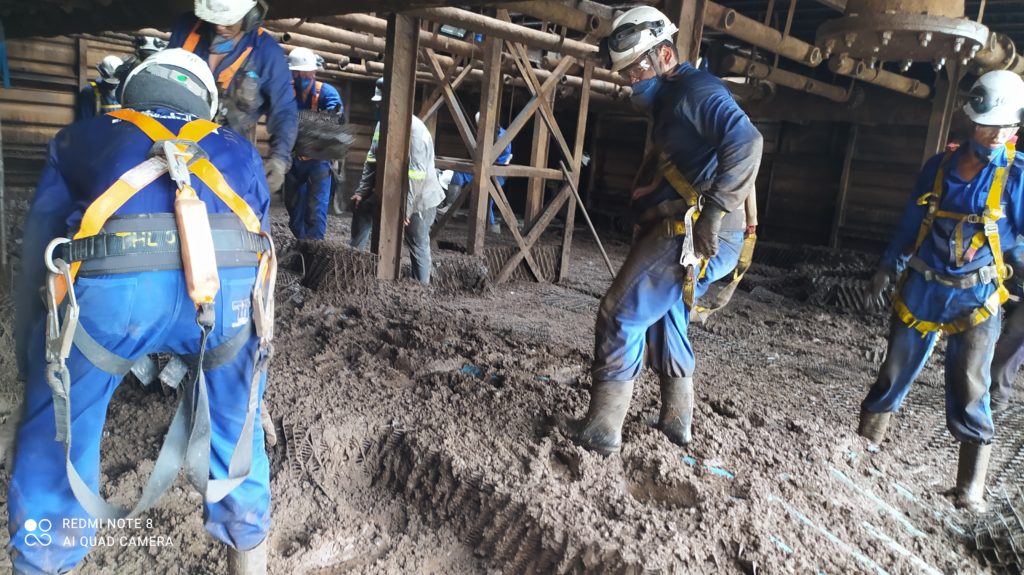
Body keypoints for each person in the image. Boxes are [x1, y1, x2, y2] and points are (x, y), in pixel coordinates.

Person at [10, 49, 276, 574]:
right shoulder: (240, 150)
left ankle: (46, 553)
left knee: (62, 428)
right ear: (206, 102)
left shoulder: (85, 134)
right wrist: (254, 391)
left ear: (130, 94)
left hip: (114, 293)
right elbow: (264, 268)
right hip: (223, 297)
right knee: (234, 427)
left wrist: (34, 362)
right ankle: (249, 551)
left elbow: (38, 258)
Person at [567, 6, 762, 455]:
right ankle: (678, 422)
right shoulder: (674, 99)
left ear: (665, 55)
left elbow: (748, 141)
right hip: (693, 229)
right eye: (624, 73)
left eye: (634, 69)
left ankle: (602, 429)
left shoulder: (694, 90)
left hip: (691, 231)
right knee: (664, 318)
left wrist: (714, 212)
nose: (629, 81)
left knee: (620, 313)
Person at [859, 70, 1024, 513]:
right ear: (972, 120)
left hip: (976, 297)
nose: (995, 134)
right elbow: (911, 224)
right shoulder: (939, 166)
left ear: (1015, 127)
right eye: (988, 125)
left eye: (1005, 127)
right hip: (922, 288)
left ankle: (969, 489)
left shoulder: (1018, 177)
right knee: (893, 372)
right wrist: (886, 265)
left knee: (971, 386)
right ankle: (863, 452)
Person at [169, 0, 297, 194]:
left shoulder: (267, 53)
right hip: (175, 146)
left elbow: (285, 110)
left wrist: (279, 159)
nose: (220, 27)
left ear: (250, 16)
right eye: (214, 19)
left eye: (228, 22)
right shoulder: (186, 30)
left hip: (230, 157)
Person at [351, 77, 444, 284]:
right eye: (377, 103)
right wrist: (362, 191)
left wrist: (407, 209)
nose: (378, 107)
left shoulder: (416, 133)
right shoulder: (381, 126)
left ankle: (421, 290)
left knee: (417, 242)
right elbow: (372, 160)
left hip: (420, 198)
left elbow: (416, 175)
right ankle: (352, 268)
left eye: (381, 103)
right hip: (391, 192)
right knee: (363, 210)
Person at [283, 47, 343, 240]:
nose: (299, 76)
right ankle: (302, 246)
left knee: (315, 213)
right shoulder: (286, 93)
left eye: (303, 72)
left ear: (312, 72)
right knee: (294, 212)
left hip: (318, 161)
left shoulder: (326, 93)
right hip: (293, 161)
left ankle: (314, 254)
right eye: (296, 72)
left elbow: (336, 120)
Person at [441, 111, 513, 235]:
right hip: (495, 172)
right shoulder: (501, 134)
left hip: (493, 172)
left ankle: (451, 206)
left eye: (479, 124)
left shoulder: (497, 137)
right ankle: (492, 227)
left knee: (459, 174)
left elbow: (490, 155)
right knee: (487, 200)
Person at [75, 55, 123, 121]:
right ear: (102, 73)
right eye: (110, 84)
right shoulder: (89, 92)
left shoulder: (124, 91)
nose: (113, 87)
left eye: (115, 84)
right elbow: (83, 123)